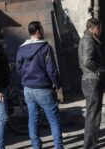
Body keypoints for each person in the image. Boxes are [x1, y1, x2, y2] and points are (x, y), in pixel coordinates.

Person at [16, 21, 64, 149]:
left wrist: (27, 78)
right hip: (43, 89)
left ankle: (36, 146)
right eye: (41, 29)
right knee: (53, 120)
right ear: (38, 31)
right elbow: (52, 70)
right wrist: (57, 85)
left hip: (28, 89)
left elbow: (18, 68)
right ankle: (58, 147)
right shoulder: (45, 48)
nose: (43, 31)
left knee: (33, 119)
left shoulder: (21, 49)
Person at [78, 17, 105, 149]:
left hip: (89, 79)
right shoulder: (89, 40)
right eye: (99, 29)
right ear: (95, 28)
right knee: (93, 115)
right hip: (91, 80)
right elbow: (87, 61)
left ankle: (91, 145)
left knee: (93, 114)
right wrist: (99, 70)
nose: (100, 31)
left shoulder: (87, 39)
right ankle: (89, 146)